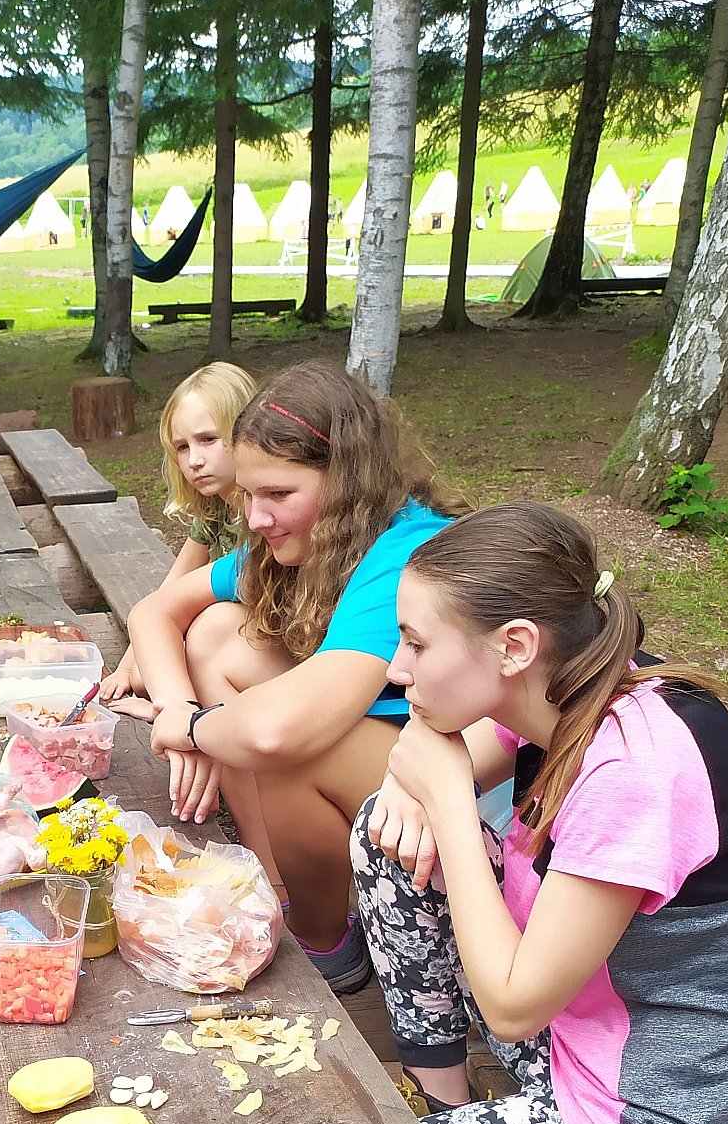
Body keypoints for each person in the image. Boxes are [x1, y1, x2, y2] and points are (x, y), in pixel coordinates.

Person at [352, 502, 728, 1124]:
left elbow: (512, 1008)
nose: (396, 668)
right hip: (567, 1027)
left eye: (416, 642)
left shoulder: (635, 771)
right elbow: (418, 772)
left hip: (641, 1121)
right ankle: (444, 1098)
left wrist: (449, 797)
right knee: (388, 828)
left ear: (514, 646)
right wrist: (421, 777)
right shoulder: (571, 684)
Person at [127, 362, 460, 992]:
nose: (255, 518)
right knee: (216, 632)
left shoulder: (406, 554)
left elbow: (280, 732)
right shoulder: (302, 538)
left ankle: (323, 938)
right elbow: (154, 611)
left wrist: (193, 728)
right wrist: (175, 707)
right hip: (405, 756)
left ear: (349, 479)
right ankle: (273, 878)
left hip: (482, 794)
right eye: (248, 496)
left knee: (294, 752)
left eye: (278, 495)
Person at [98, 361, 257, 713]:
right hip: (222, 638)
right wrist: (123, 670)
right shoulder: (214, 510)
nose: (194, 460)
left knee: (171, 655)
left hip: (259, 646)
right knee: (142, 675)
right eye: (182, 447)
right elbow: (169, 591)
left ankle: (195, 720)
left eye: (208, 439)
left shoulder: (264, 516)